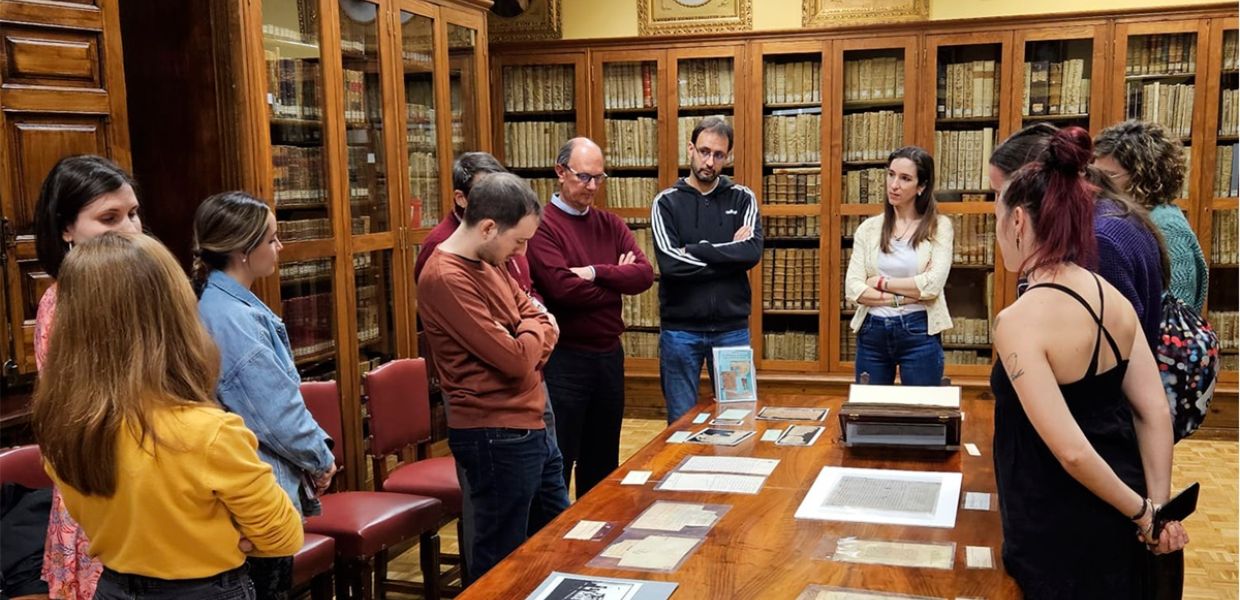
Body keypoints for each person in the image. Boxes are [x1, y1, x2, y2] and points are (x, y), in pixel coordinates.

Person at [33, 232, 303, 600]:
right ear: (175, 318)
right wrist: (224, 536)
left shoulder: (62, 431)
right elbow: (284, 534)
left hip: (112, 586)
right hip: (206, 589)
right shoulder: (209, 433)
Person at [988, 126, 1188, 598]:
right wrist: (1154, 508)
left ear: (1018, 221)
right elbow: (1153, 410)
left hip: (1055, 521)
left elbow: (1072, 451)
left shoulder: (1019, 320)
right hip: (1121, 499)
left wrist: (1142, 513)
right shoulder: (1112, 297)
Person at [417, 172, 569, 582]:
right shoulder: (447, 277)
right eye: (518, 241)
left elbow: (534, 312)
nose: (522, 253)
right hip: (494, 434)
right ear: (487, 227)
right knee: (501, 558)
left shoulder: (491, 261)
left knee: (557, 537)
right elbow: (517, 360)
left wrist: (529, 328)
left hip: (530, 425)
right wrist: (535, 330)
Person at [193, 192, 336, 600]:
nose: (280, 247)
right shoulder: (231, 318)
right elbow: (275, 411)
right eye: (272, 239)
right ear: (242, 250)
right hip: (258, 487)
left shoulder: (223, 304)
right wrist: (320, 457)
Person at [32, 154, 143, 600]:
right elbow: (93, 417)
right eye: (109, 218)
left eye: (133, 213)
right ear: (66, 230)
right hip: (108, 493)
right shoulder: (64, 305)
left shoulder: (137, 288)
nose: (130, 229)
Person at [526, 138, 655, 499]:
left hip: (608, 357)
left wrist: (596, 273)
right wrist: (616, 280)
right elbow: (561, 288)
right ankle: (558, 545)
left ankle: (596, 537)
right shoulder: (542, 226)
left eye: (600, 178)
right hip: (566, 360)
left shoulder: (609, 223)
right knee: (560, 458)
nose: (593, 187)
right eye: (585, 178)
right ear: (560, 172)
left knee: (602, 462)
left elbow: (644, 275)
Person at [989, 122, 1167, 347]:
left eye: (998, 194)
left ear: (1035, 182)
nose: (997, 208)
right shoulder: (1105, 218)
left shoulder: (1099, 239)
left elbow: (1111, 352)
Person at [651, 116, 763, 423]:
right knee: (681, 421)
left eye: (718, 155)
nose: (709, 161)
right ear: (690, 149)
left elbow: (751, 251)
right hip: (680, 332)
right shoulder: (665, 203)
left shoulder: (743, 198)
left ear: (727, 157)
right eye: (703, 151)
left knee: (739, 416)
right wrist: (729, 255)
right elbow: (671, 264)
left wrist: (696, 250)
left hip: (732, 330)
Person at [843, 146, 952, 385]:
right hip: (872, 330)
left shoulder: (939, 227)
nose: (894, 185)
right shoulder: (869, 229)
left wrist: (881, 282)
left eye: (905, 178)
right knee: (870, 411)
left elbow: (932, 286)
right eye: (891, 174)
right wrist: (904, 297)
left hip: (919, 330)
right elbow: (853, 288)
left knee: (921, 412)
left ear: (921, 186)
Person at [1095, 120, 1207, 313]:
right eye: (1093, 174)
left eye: (1107, 176)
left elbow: (1176, 313)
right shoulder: (1128, 219)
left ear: (1143, 177)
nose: (1095, 185)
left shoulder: (1168, 227)